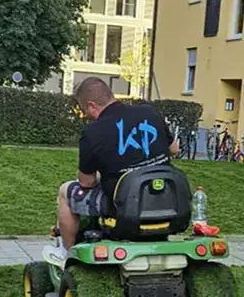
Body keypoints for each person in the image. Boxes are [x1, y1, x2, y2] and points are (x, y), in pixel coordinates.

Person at [56, 77, 179, 249]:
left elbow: (87, 182)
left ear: (91, 105)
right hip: (166, 200)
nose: (84, 115)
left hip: (123, 207)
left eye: (84, 109)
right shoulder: (149, 112)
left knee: (65, 192)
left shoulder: (92, 133)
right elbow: (174, 149)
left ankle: (66, 253)